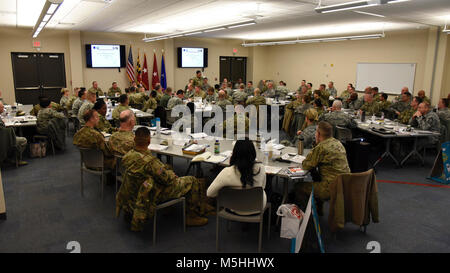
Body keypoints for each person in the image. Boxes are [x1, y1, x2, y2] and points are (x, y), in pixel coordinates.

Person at [116, 127, 212, 229]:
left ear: (134, 140)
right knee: (192, 180)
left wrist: (166, 170)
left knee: (167, 167)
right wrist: (170, 174)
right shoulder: (150, 162)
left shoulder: (127, 156)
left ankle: (168, 209)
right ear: (149, 141)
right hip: (151, 194)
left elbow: (154, 171)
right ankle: (191, 216)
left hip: (134, 192)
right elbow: (167, 179)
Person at [292, 121, 350, 213]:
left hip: (330, 188)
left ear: (318, 134)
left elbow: (306, 165)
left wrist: (315, 146)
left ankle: (307, 215)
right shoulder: (338, 143)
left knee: (298, 187)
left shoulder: (321, 147)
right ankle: (319, 210)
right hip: (345, 184)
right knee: (316, 176)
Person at [207, 139, 266, 215]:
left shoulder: (227, 172)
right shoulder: (261, 168)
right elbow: (263, 187)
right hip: (257, 209)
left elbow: (210, 193)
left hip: (233, 208)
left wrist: (224, 193)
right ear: (253, 153)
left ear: (234, 154)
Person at [0, 101, 27, 165]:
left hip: (2, 138)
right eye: (2, 107)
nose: (3, 108)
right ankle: (16, 159)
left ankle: (8, 157)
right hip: (4, 139)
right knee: (23, 140)